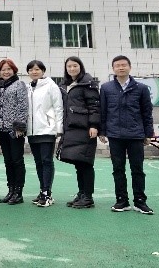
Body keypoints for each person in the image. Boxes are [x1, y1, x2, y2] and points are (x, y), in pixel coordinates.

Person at [99, 55, 155, 214]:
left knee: (137, 169)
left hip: (135, 134)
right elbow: (103, 111)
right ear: (113, 69)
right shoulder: (106, 88)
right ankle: (121, 200)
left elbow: (147, 112)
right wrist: (102, 131)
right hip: (115, 135)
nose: (121, 68)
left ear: (130, 67)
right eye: (117, 65)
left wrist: (148, 133)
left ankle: (140, 201)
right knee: (118, 169)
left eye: (124, 65)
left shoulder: (141, 88)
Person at [57, 56, 100, 209]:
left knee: (86, 163)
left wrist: (94, 125)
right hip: (71, 129)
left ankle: (88, 197)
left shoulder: (88, 83)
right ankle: (82, 193)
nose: (72, 69)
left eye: (75, 66)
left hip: (85, 129)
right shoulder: (65, 85)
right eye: (69, 66)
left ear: (80, 67)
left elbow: (94, 106)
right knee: (78, 163)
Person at [26, 59, 63, 208]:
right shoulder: (29, 87)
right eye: (31, 70)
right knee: (38, 162)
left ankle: (47, 193)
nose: (34, 72)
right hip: (32, 131)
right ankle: (43, 191)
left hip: (47, 129)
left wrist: (59, 128)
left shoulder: (51, 86)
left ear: (43, 71)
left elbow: (58, 107)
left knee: (46, 161)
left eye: (37, 69)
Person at [0, 59, 29, 205]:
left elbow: (23, 106)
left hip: (15, 130)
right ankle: (11, 190)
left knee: (17, 160)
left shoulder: (19, 85)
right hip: (3, 130)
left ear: (14, 70)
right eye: (3, 69)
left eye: (9, 69)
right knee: (8, 161)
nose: (6, 72)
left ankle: (18, 192)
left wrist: (20, 127)